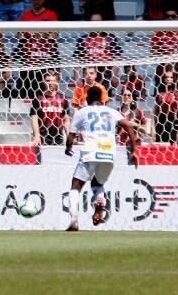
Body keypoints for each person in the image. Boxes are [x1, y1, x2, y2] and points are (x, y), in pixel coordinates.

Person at [65, 86, 139, 231]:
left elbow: (71, 135)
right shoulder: (112, 111)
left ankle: (74, 221)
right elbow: (129, 127)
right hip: (109, 155)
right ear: (101, 99)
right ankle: (100, 203)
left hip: (90, 153)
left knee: (76, 186)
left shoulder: (82, 112)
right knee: (97, 184)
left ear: (86, 98)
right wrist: (134, 151)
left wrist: (68, 148)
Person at [30, 71, 70, 146]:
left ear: (57, 82)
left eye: (53, 81)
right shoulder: (38, 99)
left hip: (58, 138)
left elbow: (66, 120)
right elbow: (34, 119)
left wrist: (69, 136)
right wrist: (36, 135)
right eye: (48, 81)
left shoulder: (63, 99)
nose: (50, 83)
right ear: (43, 81)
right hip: (42, 138)